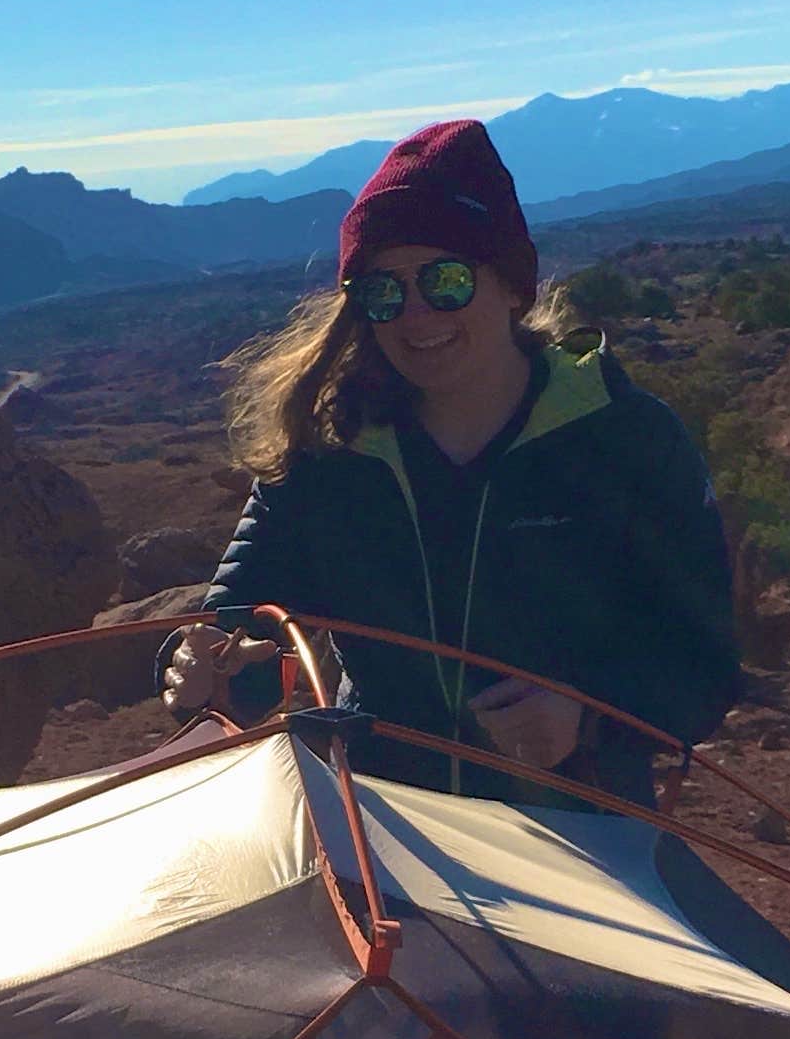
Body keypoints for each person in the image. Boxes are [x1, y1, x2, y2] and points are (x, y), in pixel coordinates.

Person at [163, 117, 743, 805]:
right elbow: (246, 622)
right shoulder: (330, 454)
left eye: (445, 280)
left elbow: (701, 663)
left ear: (509, 284)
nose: (417, 314)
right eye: (383, 291)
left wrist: (587, 719)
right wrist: (206, 665)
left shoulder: (623, 440)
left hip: (581, 827)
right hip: (385, 828)